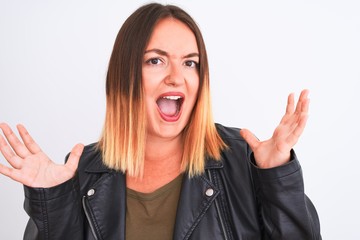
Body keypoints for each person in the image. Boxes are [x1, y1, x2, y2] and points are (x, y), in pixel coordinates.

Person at [0, 3, 321, 240]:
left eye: (190, 63)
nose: (175, 77)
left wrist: (277, 178)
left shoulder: (244, 162)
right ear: (124, 76)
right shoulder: (80, 172)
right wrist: (52, 202)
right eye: (156, 60)